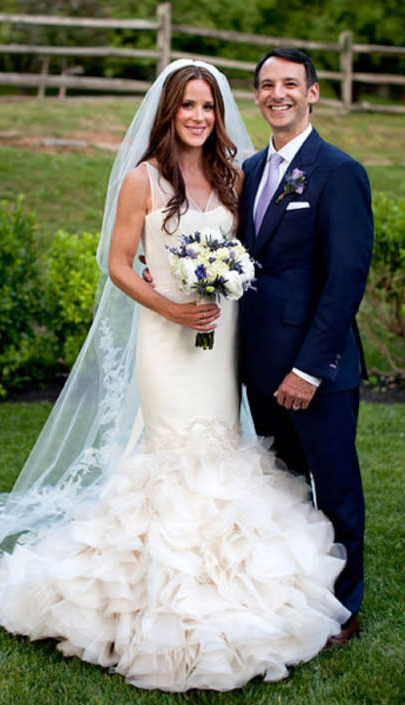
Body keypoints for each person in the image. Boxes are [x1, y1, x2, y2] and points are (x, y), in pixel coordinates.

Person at [0, 60, 349, 692]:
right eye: (187, 106)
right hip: (166, 340)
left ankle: (231, 580)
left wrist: (220, 292)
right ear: (168, 113)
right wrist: (170, 306)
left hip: (221, 341)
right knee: (174, 452)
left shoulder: (232, 176)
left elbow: (252, 254)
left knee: (222, 445)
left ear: (218, 114)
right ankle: (156, 589)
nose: (198, 117)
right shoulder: (144, 179)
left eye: (208, 107)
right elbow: (118, 262)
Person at [238, 48, 374, 646]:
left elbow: (347, 276)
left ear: (312, 93)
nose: (277, 94)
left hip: (316, 368)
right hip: (258, 363)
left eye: (290, 84)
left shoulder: (338, 171)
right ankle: (294, 588)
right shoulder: (245, 170)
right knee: (285, 485)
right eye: (267, 85)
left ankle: (344, 608)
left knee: (335, 487)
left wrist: (310, 369)